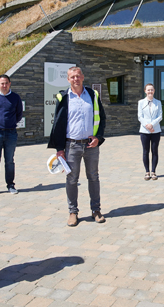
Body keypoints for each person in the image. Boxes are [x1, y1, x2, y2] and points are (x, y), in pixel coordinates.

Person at [48, 67, 106, 227]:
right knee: (72, 179)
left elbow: (102, 118)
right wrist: (59, 149)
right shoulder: (64, 97)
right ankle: (73, 212)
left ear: (83, 77)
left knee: (93, 177)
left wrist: (99, 138)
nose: (76, 79)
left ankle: (96, 210)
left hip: (91, 145)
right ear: (68, 79)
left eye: (78, 76)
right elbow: (58, 125)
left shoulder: (92, 95)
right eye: (72, 77)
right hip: (71, 145)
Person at [138, 83, 163, 180]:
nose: (150, 91)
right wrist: (147, 126)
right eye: (148, 90)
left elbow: (160, 116)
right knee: (145, 151)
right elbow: (140, 116)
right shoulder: (141, 102)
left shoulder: (158, 102)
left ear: (154, 91)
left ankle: (153, 171)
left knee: (154, 151)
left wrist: (152, 125)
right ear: (145, 91)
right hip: (144, 131)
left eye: (151, 90)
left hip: (155, 130)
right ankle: (147, 172)